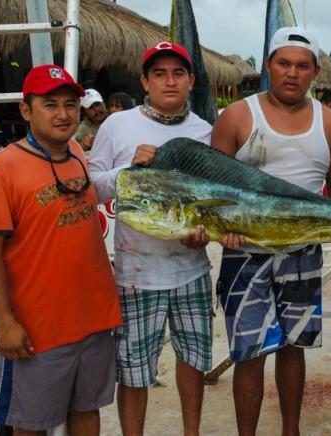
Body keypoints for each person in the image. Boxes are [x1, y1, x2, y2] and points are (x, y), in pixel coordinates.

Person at [210, 26, 331, 435]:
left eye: (302, 66)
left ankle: (292, 430)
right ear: (268, 65)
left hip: (302, 251)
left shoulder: (329, 123)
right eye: (284, 63)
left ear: (316, 71)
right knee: (250, 353)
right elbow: (215, 190)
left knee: (295, 347)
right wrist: (224, 230)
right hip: (245, 253)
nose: (292, 73)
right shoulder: (237, 116)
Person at [0, 65, 122, 434]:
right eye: (50, 104)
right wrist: (6, 323)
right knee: (31, 424)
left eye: (70, 104)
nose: (63, 114)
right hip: (38, 330)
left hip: (93, 319)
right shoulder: (1, 171)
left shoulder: (75, 151)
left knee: (88, 410)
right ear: (27, 111)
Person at [89, 41, 213, 436]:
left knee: (194, 362)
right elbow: (93, 189)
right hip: (135, 274)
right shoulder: (117, 125)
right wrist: (130, 167)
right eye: (159, 73)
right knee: (135, 370)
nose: (169, 81)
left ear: (191, 80)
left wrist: (205, 236)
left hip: (191, 269)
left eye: (178, 73)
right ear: (144, 80)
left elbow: (213, 202)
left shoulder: (206, 132)